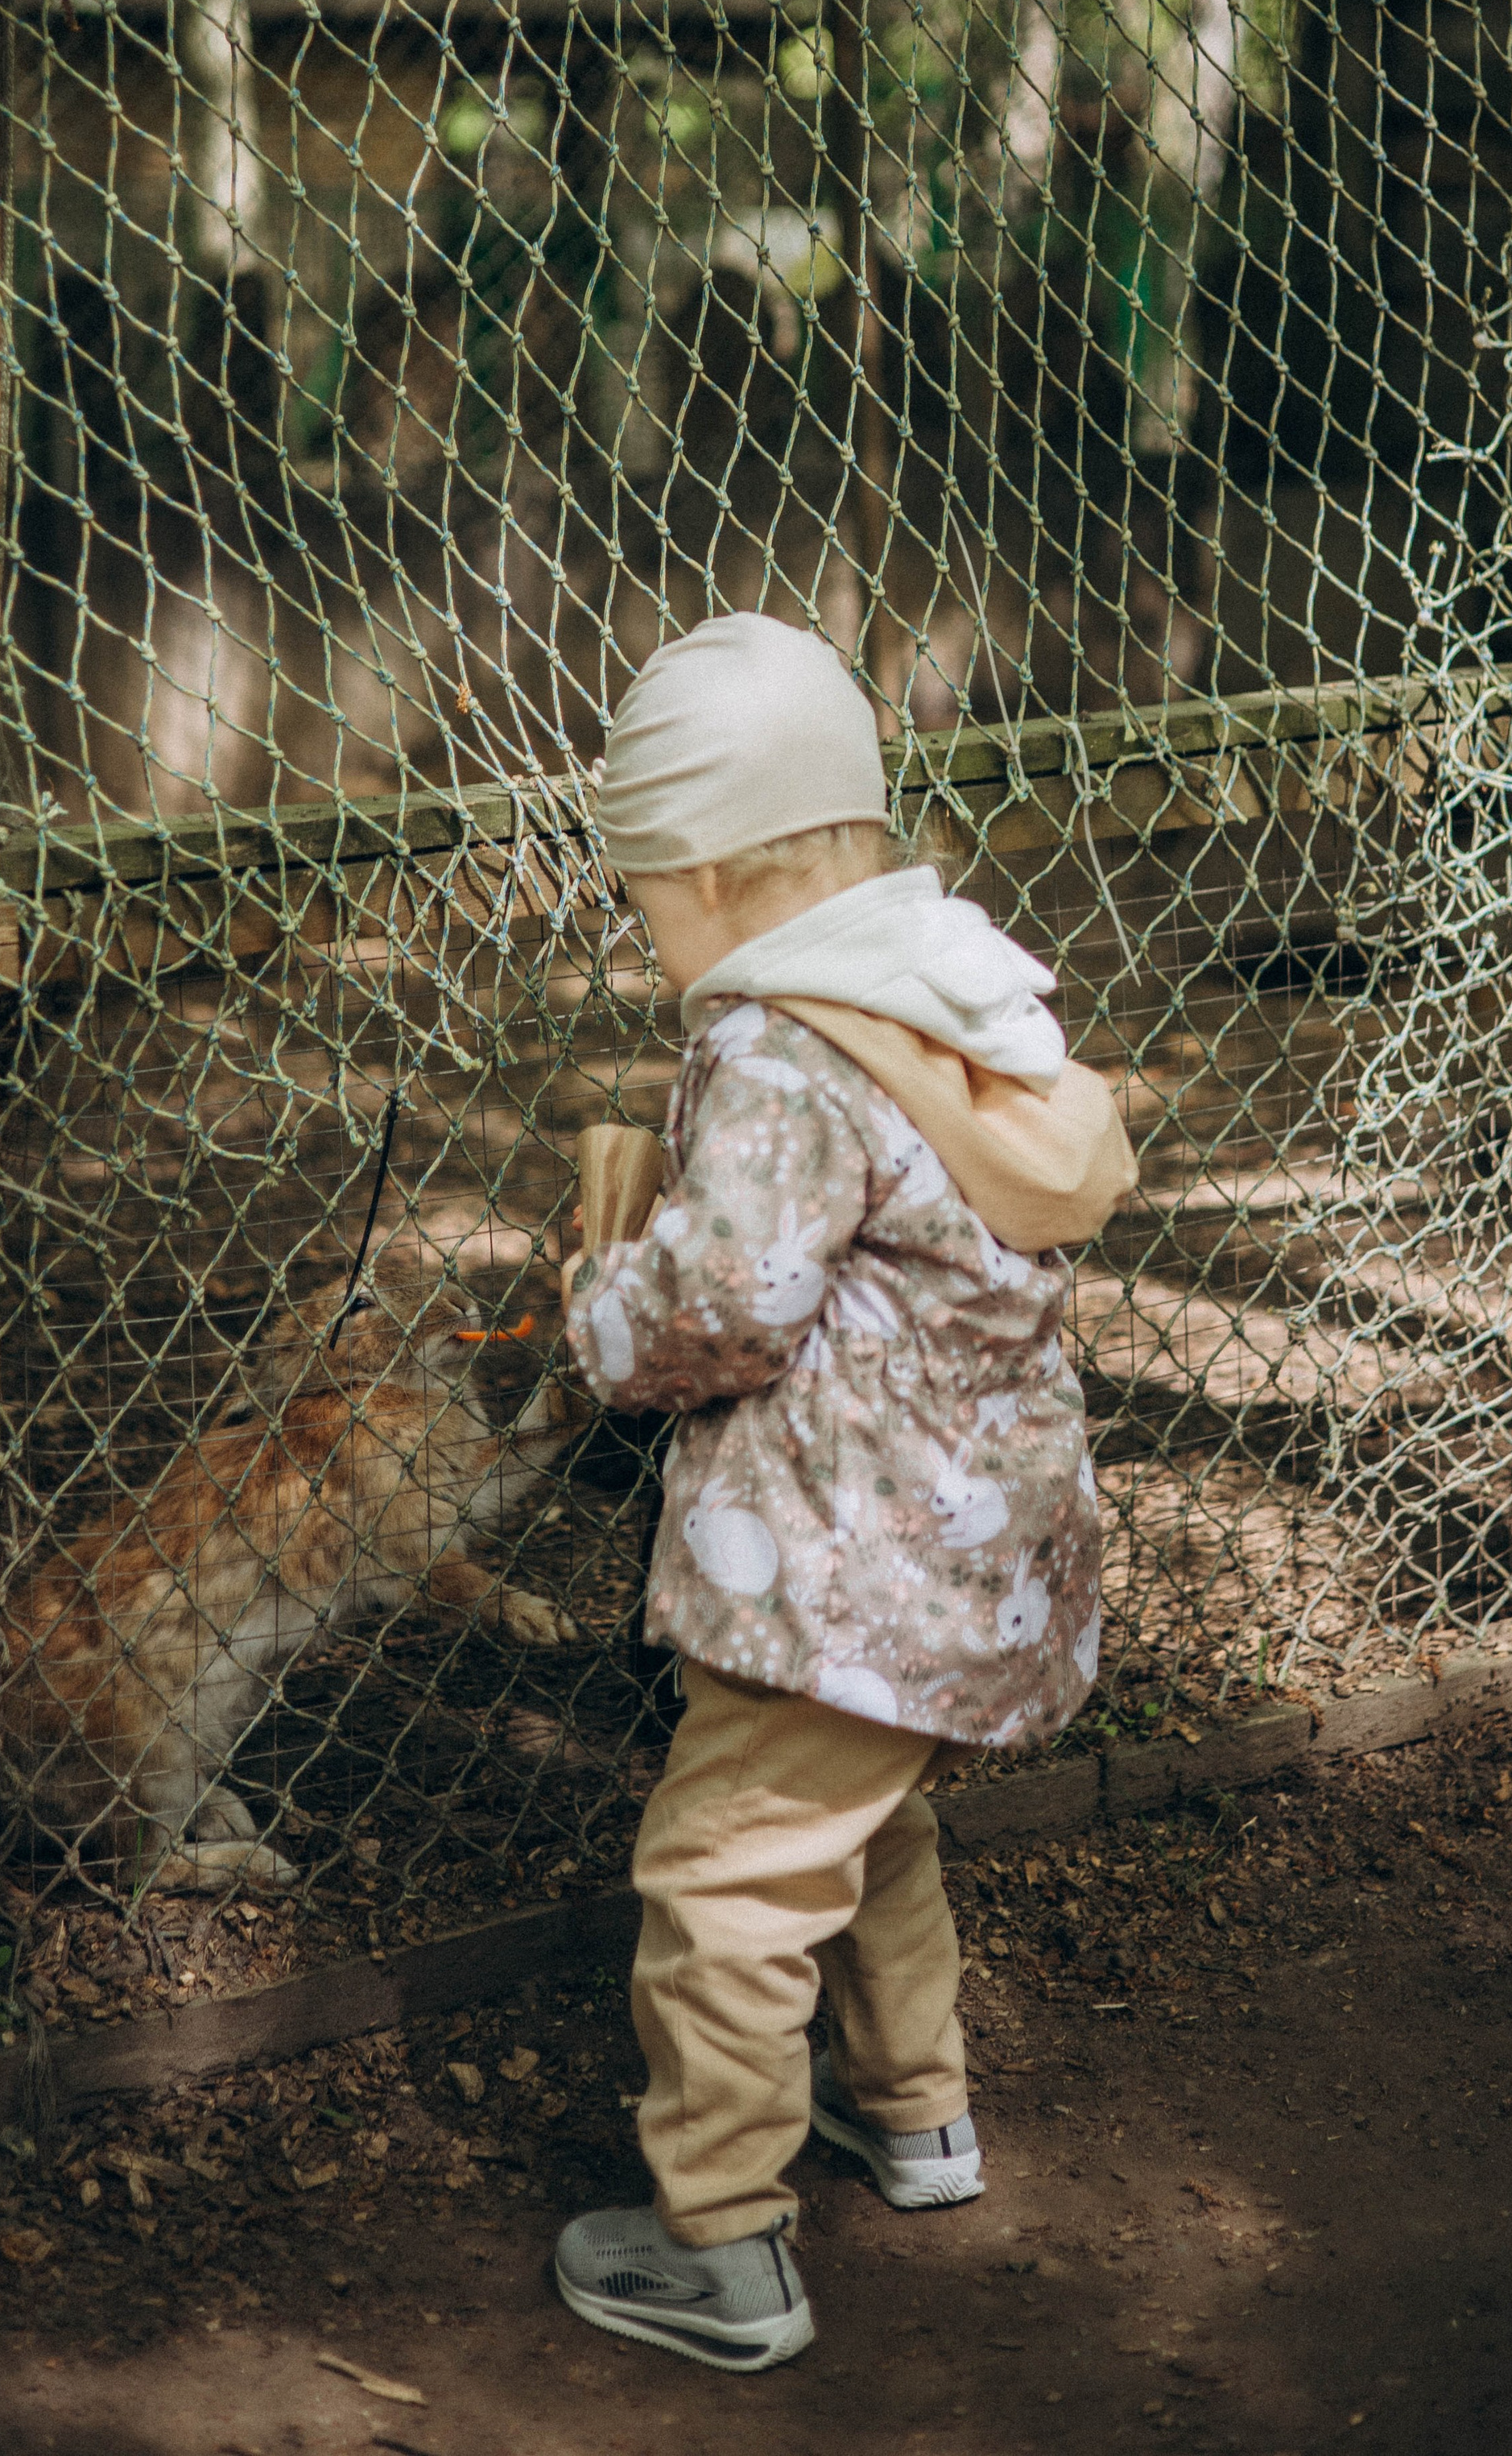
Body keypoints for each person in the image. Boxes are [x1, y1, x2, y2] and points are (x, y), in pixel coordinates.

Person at [552, 612, 1136, 2372]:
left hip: (823, 1561)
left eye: (647, 892)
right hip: (970, 1549)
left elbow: (727, 1299)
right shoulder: (949, 996)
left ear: (721, 875)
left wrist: (601, 1310)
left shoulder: (780, 1045)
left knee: (724, 1872)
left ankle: (714, 2243)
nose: (647, 932)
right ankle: (916, 2117)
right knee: (870, 1825)